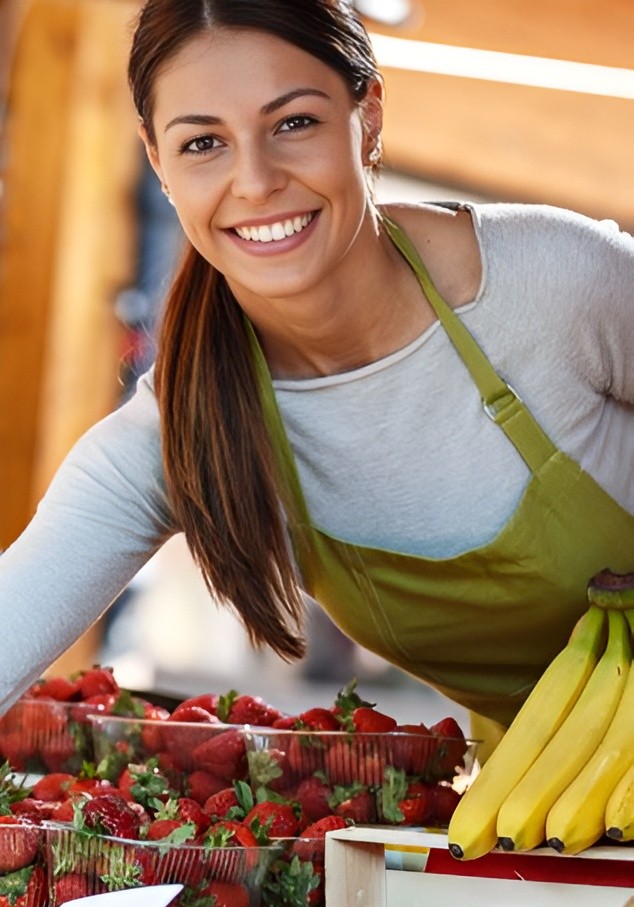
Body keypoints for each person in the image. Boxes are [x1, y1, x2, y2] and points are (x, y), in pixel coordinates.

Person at [0, 0, 632, 754]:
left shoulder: (551, 287)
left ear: (367, 116)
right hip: (549, 814)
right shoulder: (187, 423)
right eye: (203, 142)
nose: (256, 181)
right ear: (157, 162)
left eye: (293, 122)